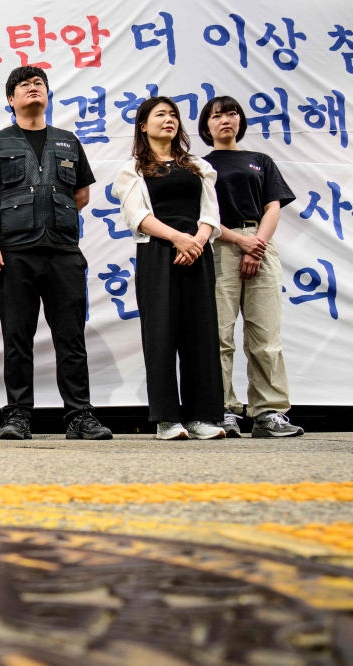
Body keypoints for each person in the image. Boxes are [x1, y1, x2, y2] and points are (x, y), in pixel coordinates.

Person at [0, 66, 112, 441]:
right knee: (17, 336)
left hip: (63, 252)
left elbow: (80, 194)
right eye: (23, 85)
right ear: (11, 99)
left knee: (71, 336)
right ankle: (17, 415)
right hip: (14, 253)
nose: (32, 88)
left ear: (47, 95)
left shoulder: (68, 140)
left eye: (39, 84)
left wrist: (53, 217)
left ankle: (80, 415)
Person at [113, 97, 225, 440]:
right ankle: (166, 419)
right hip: (159, 252)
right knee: (161, 333)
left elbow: (210, 213)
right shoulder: (133, 169)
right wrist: (178, 238)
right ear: (143, 126)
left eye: (173, 114)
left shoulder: (197, 166)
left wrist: (197, 241)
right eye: (160, 114)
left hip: (197, 252)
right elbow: (138, 217)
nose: (169, 119)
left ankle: (202, 417)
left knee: (202, 333)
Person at [199, 97, 304, 438]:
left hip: (260, 242)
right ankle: (223, 411)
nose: (225, 120)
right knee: (219, 335)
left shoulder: (260, 161)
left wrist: (255, 245)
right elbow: (202, 215)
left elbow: (273, 206)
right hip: (218, 243)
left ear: (241, 121)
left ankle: (269, 412)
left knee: (266, 335)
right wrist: (239, 242)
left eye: (231, 114)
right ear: (207, 125)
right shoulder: (200, 165)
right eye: (217, 116)